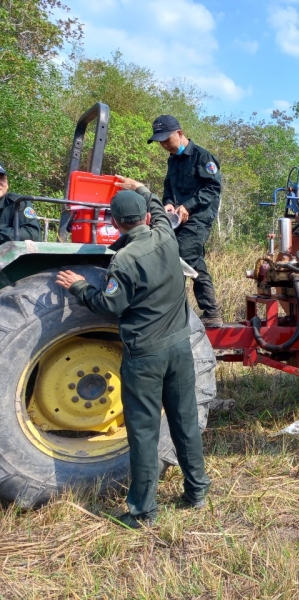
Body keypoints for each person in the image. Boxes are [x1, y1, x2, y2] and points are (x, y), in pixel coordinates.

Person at [55, 176, 211, 529]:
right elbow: (160, 210)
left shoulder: (124, 261)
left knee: (143, 432)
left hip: (145, 357)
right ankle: (197, 491)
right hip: (179, 348)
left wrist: (79, 287)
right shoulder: (166, 236)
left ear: (114, 223)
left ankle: (142, 511)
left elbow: (108, 305)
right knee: (185, 421)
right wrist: (142, 188)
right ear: (143, 217)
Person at [147, 115, 223, 326]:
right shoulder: (173, 159)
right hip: (176, 218)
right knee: (190, 258)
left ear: (179, 134)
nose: (163, 145)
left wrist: (188, 206)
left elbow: (213, 189)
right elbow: (168, 187)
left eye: (166, 139)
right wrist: (169, 203)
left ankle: (172, 312)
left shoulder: (202, 157)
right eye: (159, 141)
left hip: (199, 217)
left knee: (181, 254)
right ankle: (211, 312)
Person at [0, 163, 41, 243]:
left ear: (7, 183)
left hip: (9, 254)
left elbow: (32, 233)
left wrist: (2, 234)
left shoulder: (19, 203)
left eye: (1, 178)